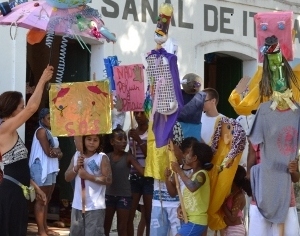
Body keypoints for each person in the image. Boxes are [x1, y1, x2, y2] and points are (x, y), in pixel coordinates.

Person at [0, 65, 53, 235]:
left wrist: (37, 189)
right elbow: (32, 108)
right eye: (21, 107)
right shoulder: (4, 128)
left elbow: (20, 167)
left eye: (23, 106)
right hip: (11, 192)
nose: (24, 109)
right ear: (11, 108)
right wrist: (43, 79)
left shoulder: (11, 130)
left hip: (18, 191)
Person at [65, 134, 112, 235]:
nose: (91, 142)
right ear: (83, 140)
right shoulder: (77, 155)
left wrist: (88, 176)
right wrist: (76, 168)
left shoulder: (101, 157)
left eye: (95, 140)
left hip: (95, 206)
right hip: (77, 205)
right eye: (89, 139)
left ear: (99, 142)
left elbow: (108, 180)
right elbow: (67, 177)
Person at [104, 125, 144, 236]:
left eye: (125, 139)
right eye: (120, 139)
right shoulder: (106, 157)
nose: (124, 142)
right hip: (109, 195)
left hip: (124, 196)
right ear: (112, 142)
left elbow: (142, 171)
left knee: (122, 228)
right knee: (105, 226)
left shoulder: (128, 157)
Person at [29, 108, 63, 236]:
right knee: (41, 199)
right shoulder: (41, 131)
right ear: (42, 119)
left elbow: (57, 152)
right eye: (49, 118)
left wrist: (57, 153)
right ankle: (41, 231)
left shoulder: (51, 132)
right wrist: (58, 153)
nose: (51, 120)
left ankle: (45, 228)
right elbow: (49, 152)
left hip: (51, 167)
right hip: (42, 167)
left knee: (46, 199)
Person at [171, 142, 214, 236]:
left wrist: (179, 170)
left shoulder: (202, 174)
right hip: (190, 220)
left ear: (194, 158)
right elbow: (189, 197)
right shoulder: (192, 175)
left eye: (189, 153)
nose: (186, 156)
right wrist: (180, 208)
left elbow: (192, 187)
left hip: (196, 221)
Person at [128, 111, 153, 236]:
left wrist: (138, 140)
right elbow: (129, 155)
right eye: (136, 113)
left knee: (148, 216)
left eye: (141, 113)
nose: (138, 116)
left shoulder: (152, 131)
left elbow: (150, 156)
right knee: (129, 215)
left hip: (149, 177)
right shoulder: (131, 131)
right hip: (134, 176)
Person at [222, 165, 252, 236]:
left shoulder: (239, 196)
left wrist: (223, 204)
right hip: (229, 229)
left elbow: (233, 218)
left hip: (235, 230)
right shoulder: (232, 193)